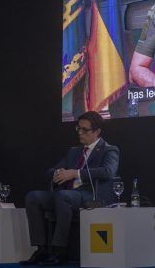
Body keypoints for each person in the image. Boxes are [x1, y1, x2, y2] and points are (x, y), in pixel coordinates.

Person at [21, 111, 120, 266]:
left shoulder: (109, 150)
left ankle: (60, 250)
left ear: (97, 131)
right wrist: (57, 173)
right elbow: (50, 171)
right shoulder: (74, 151)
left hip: (90, 195)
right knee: (33, 197)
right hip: (67, 194)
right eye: (78, 129)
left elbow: (108, 172)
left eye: (84, 130)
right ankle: (41, 249)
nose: (80, 133)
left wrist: (75, 173)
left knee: (63, 196)